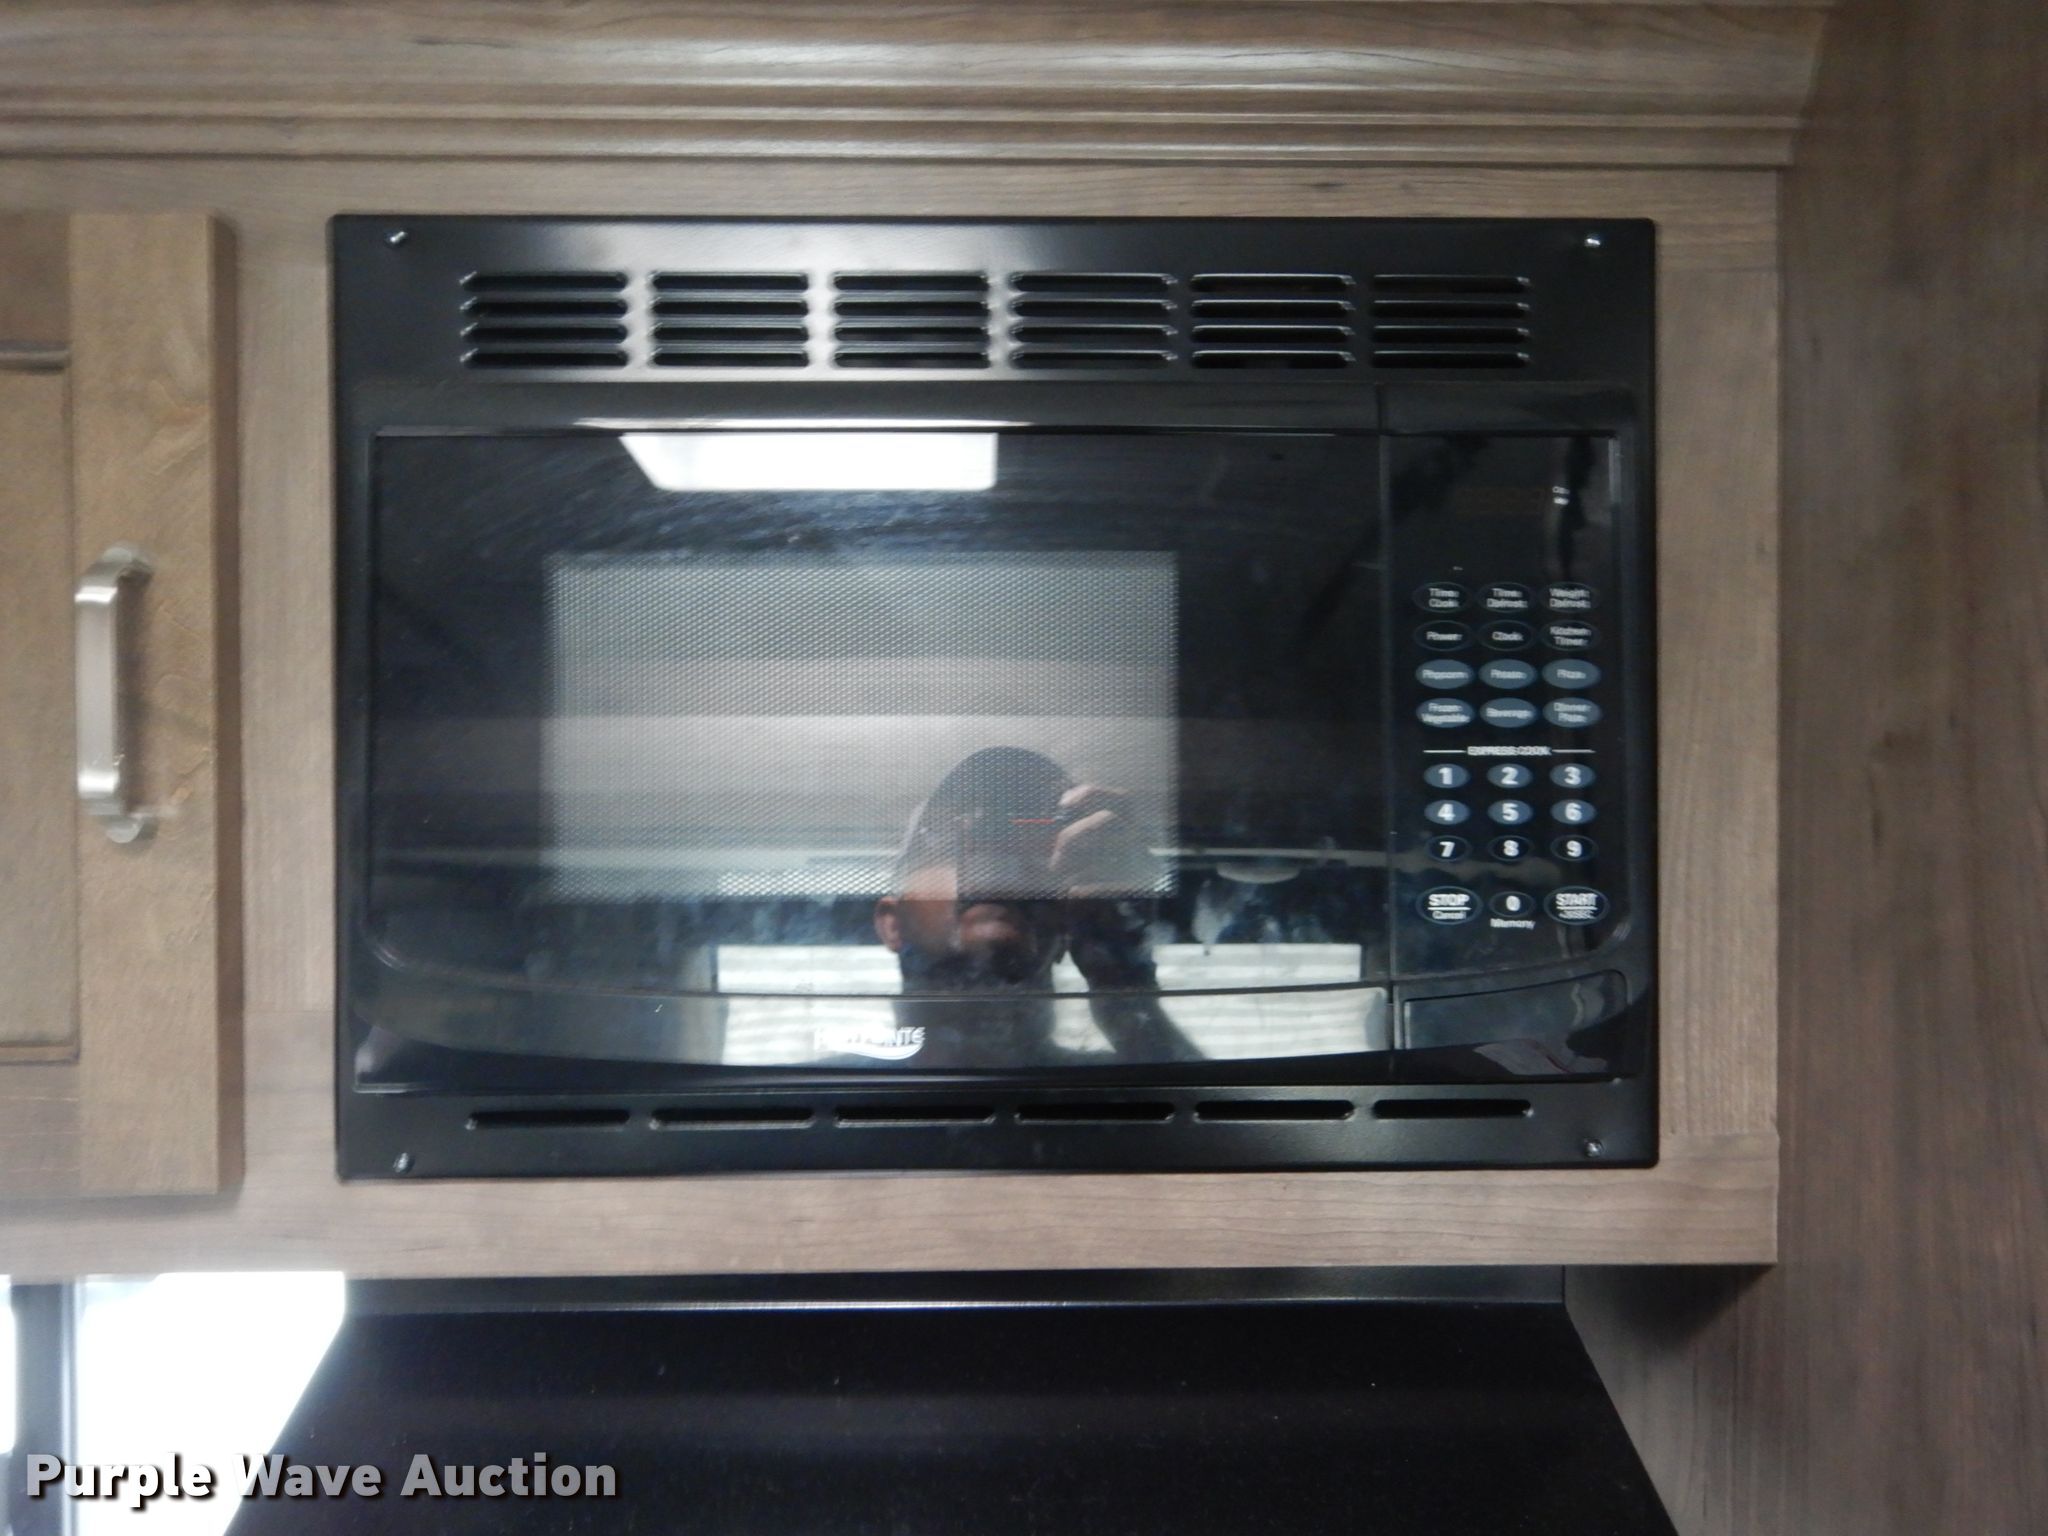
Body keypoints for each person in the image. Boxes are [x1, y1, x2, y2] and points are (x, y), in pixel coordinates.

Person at [868, 747, 1201, 1067]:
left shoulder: (1126, 1082)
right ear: (893, 923)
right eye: (948, 840)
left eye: (1034, 841)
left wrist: (1120, 983)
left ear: (1068, 926)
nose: (996, 862)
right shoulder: (1122, 1084)